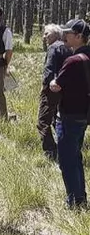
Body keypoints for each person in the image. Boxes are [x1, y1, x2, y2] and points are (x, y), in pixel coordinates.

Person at [49, 19, 90, 208]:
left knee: (66, 160)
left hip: (68, 115)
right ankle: (80, 198)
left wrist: (52, 82)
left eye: (69, 34)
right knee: (76, 156)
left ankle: (74, 201)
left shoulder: (72, 61)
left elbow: (57, 85)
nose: (65, 36)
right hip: (84, 114)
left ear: (79, 37)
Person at [38, 24, 71, 161]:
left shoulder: (53, 48)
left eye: (47, 34)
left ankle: (50, 151)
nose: (44, 36)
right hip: (66, 89)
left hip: (51, 89)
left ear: (57, 34)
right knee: (58, 119)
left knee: (43, 121)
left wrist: (44, 86)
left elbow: (49, 70)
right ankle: (65, 146)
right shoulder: (67, 47)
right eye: (44, 34)